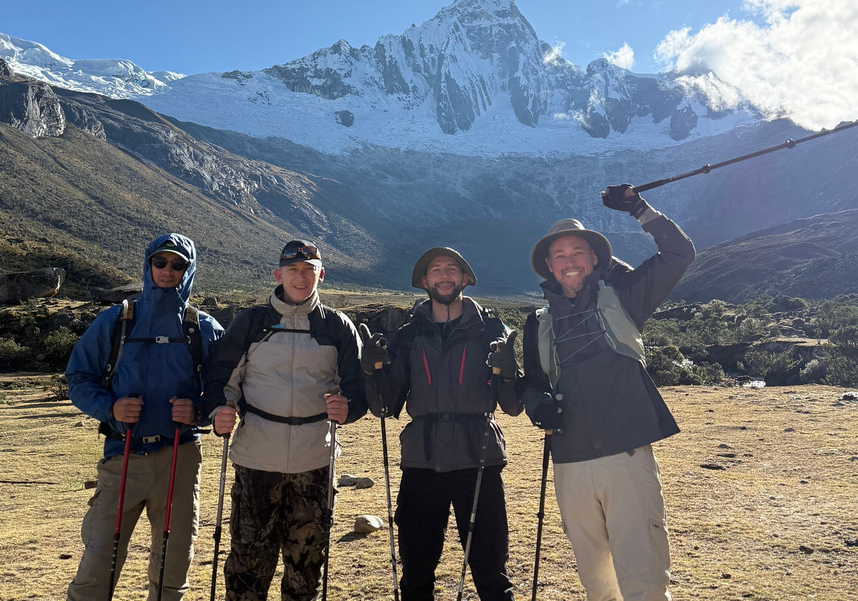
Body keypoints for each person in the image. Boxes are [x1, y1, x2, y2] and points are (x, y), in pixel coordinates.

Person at [519, 185, 695, 601]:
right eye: (559, 256)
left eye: (578, 252)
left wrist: (639, 208)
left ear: (596, 258)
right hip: (570, 462)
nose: (569, 262)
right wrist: (533, 403)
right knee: (597, 583)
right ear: (549, 266)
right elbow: (532, 381)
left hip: (626, 454)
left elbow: (679, 254)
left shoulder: (626, 298)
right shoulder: (537, 322)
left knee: (643, 578)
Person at [203, 240, 366, 601]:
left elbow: (356, 388)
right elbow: (219, 380)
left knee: (306, 571)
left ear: (320, 275)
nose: (301, 277)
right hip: (256, 461)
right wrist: (219, 412)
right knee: (247, 567)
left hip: (315, 462)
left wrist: (349, 409)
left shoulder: (337, 327)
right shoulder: (252, 323)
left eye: (309, 271)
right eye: (293, 270)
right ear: (278, 274)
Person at [65, 233, 224, 601]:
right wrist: (111, 408)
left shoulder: (202, 328)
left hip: (180, 458)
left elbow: (223, 388)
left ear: (189, 270)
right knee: (98, 561)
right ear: (148, 265)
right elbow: (79, 377)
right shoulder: (117, 321)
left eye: (178, 264)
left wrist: (198, 410)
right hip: (123, 455)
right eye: (161, 262)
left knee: (174, 563)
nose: (168, 271)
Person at [361, 247, 523, 601]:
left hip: (478, 459)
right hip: (422, 462)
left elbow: (512, 407)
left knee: (490, 570)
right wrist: (370, 371)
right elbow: (385, 407)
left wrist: (510, 373)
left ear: (465, 279)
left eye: (452, 269)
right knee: (417, 570)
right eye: (436, 269)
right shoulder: (406, 336)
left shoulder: (492, 331)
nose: (444, 275)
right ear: (424, 281)